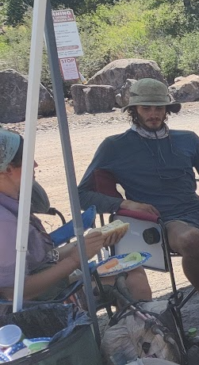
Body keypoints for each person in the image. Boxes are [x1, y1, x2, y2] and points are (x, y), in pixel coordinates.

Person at [78, 79, 199, 320]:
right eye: (146, 108)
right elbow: (82, 194)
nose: (153, 114)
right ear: (134, 111)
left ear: (167, 110)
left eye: (159, 108)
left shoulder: (188, 138)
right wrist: (123, 204)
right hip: (160, 222)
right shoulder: (115, 146)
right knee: (191, 239)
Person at [0, 130, 151, 303]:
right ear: (8, 169)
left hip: (50, 290)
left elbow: (40, 258)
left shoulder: (13, 203)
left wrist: (89, 243)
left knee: (132, 270)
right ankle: (144, 328)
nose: (35, 164)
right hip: (43, 307)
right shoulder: (4, 222)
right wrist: (74, 259)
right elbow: (14, 292)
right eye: (27, 161)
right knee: (134, 280)